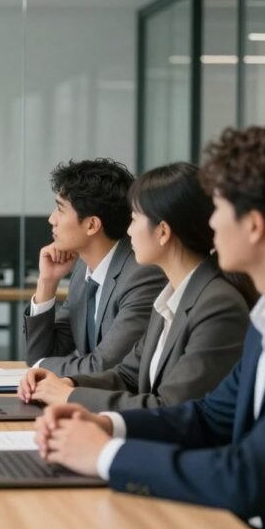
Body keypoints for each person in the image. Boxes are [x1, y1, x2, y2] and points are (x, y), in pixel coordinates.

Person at [34, 123, 265, 529]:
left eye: (219, 208)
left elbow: (249, 476)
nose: (210, 224)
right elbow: (210, 418)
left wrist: (105, 456)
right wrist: (106, 425)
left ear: (255, 225)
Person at [18, 162, 254, 411]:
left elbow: (170, 408)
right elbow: (127, 375)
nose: (128, 232)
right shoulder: (170, 297)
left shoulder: (216, 304)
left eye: (134, 219)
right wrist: (67, 382)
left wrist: (69, 396)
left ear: (162, 232)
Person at [23, 159, 165, 375]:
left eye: (60, 209)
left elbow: (103, 366)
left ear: (92, 225)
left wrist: (37, 368)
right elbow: (43, 352)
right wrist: (47, 282)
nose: (52, 219)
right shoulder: (83, 271)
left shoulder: (141, 275)